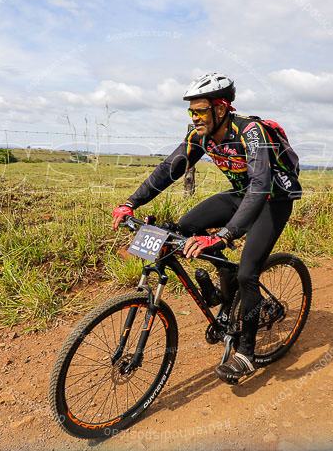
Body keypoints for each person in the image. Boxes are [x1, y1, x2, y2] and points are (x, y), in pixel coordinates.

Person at [110, 72, 302, 383]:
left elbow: (259, 185)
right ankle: (226, 298)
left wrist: (226, 236)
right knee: (185, 227)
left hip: (272, 199)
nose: (195, 117)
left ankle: (246, 354)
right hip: (242, 195)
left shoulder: (251, 133)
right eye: (191, 112)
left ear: (222, 109)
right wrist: (131, 203)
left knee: (247, 271)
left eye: (200, 111)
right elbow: (168, 169)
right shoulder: (200, 136)